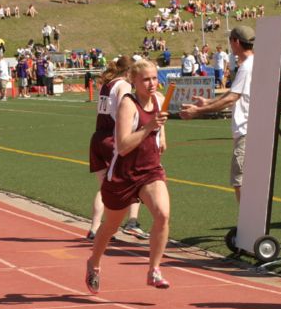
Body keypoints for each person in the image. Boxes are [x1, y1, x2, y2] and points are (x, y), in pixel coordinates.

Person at [86, 59, 170, 293]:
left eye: (155, 78)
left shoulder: (160, 100)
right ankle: (94, 262)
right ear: (133, 80)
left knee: (162, 214)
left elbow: (160, 123)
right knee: (111, 226)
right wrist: (150, 127)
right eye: (146, 79)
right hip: (123, 173)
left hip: (150, 170)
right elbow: (122, 146)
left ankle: (154, 270)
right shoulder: (128, 104)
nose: (152, 83)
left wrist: (162, 134)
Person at [180, 25, 255, 203]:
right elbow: (233, 94)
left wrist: (198, 111)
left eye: (230, 40)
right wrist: (208, 102)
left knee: (240, 180)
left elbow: (232, 98)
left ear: (236, 42)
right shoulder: (251, 64)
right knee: (245, 179)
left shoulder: (246, 67)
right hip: (248, 128)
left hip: (246, 129)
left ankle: (247, 222)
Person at [88, 55, 150, 241]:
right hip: (112, 139)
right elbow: (126, 110)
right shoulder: (123, 85)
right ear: (130, 71)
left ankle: (95, 228)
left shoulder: (107, 84)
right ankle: (132, 223)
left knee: (105, 187)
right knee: (135, 179)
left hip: (98, 138)